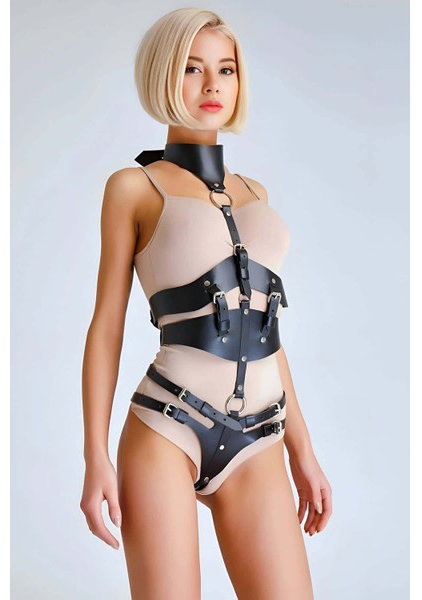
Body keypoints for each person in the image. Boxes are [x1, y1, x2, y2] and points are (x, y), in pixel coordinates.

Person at [80, 7, 332, 599]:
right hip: (166, 427)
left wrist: (304, 451)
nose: (212, 84)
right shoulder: (134, 187)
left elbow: (267, 335)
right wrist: (95, 458)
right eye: (192, 68)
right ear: (164, 75)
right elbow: (106, 327)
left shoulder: (254, 193)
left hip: (260, 439)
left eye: (226, 68)